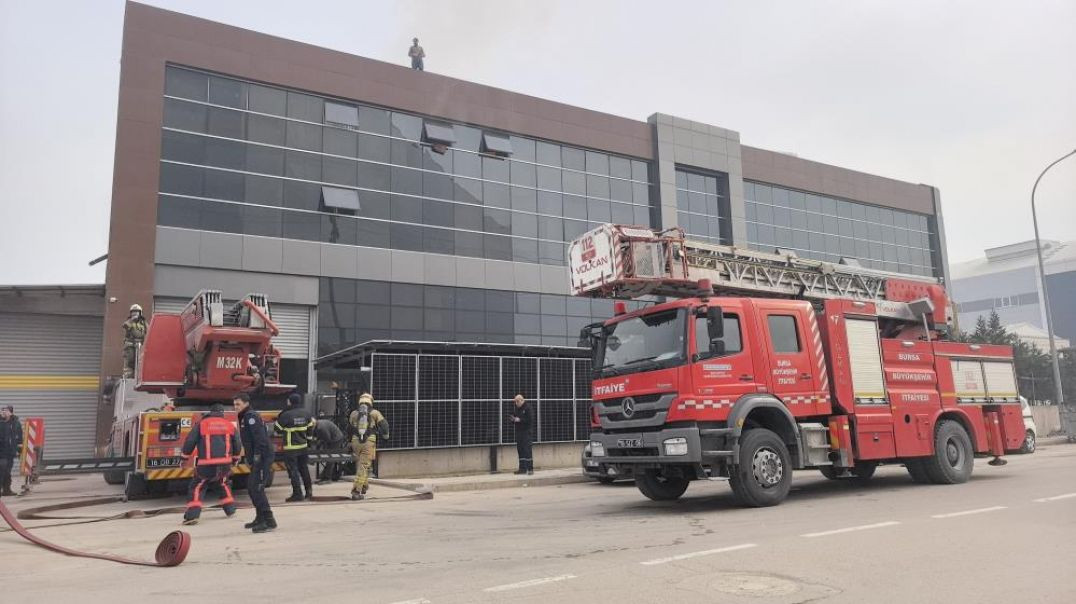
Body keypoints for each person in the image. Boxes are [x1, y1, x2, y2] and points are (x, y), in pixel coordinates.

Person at [179, 403, 240, 525]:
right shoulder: (229, 425)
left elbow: (190, 440)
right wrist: (235, 458)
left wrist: (184, 457)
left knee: (197, 486)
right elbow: (237, 443)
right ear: (222, 413)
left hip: (206, 464)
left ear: (210, 412)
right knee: (223, 483)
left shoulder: (202, 424)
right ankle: (230, 510)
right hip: (225, 463)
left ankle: (192, 516)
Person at [234, 392, 276, 532]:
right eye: (234, 404)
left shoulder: (251, 417)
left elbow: (260, 440)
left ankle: (269, 521)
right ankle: (260, 518)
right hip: (256, 457)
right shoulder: (244, 417)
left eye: (238, 404)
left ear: (246, 403)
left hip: (263, 456)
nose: (235, 407)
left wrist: (257, 457)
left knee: (257, 488)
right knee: (252, 488)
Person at [275, 393, 315, 502]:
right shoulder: (306, 413)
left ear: (289, 402)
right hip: (303, 447)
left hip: (291, 448)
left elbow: (277, 428)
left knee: (293, 471)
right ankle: (309, 492)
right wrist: (309, 442)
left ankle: (297, 494)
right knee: (304, 469)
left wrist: (282, 413)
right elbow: (310, 429)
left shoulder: (286, 415)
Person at [349, 393, 389, 500]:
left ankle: (364, 486)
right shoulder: (375, 413)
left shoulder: (353, 414)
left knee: (361, 464)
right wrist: (386, 437)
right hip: (368, 442)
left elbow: (349, 428)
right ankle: (356, 491)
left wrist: (349, 443)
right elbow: (384, 425)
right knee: (364, 466)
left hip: (355, 442)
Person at [312, 414, 346, 484]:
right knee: (328, 458)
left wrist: (323, 448)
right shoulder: (318, 425)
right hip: (333, 438)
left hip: (336, 439)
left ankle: (327, 478)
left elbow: (328, 439)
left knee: (330, 459)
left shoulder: (321, 427)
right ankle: (324, 476)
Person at [0, 405, 22, 497]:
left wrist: (19, 450)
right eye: (2, 411)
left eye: (5, 411)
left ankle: (7, 490)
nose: (3, 412)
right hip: (1, 452)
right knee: (2, 470)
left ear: (11, 412)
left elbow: (20, 437)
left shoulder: (16, 423)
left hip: (11, 452)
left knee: (8, 471)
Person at [121, 304, 147, 378]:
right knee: (130, 361)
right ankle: (128, 375)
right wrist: (132, 320)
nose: (135, 313)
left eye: (137, 312)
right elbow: (125, 325)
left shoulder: (143, 323)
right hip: (130, 345)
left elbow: (148, 331)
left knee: (140, 361)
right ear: (130, 313)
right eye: (133, 312)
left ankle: (138, 376)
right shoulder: (129, 321)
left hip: (140, 345)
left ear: (140, 313)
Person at [511, 394, 533, 475]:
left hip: (526, 431)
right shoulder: (517, 409)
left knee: (527, 449)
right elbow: (514, 418)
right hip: (519, 432)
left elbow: (530, 419)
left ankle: (530, 468)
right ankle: (522, 468)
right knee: (520, 449)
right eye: (515, 402)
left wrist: (520, 420)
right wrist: (513, 419)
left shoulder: (527, 408)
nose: (516, 403)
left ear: (522, 400)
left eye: (517, 401)